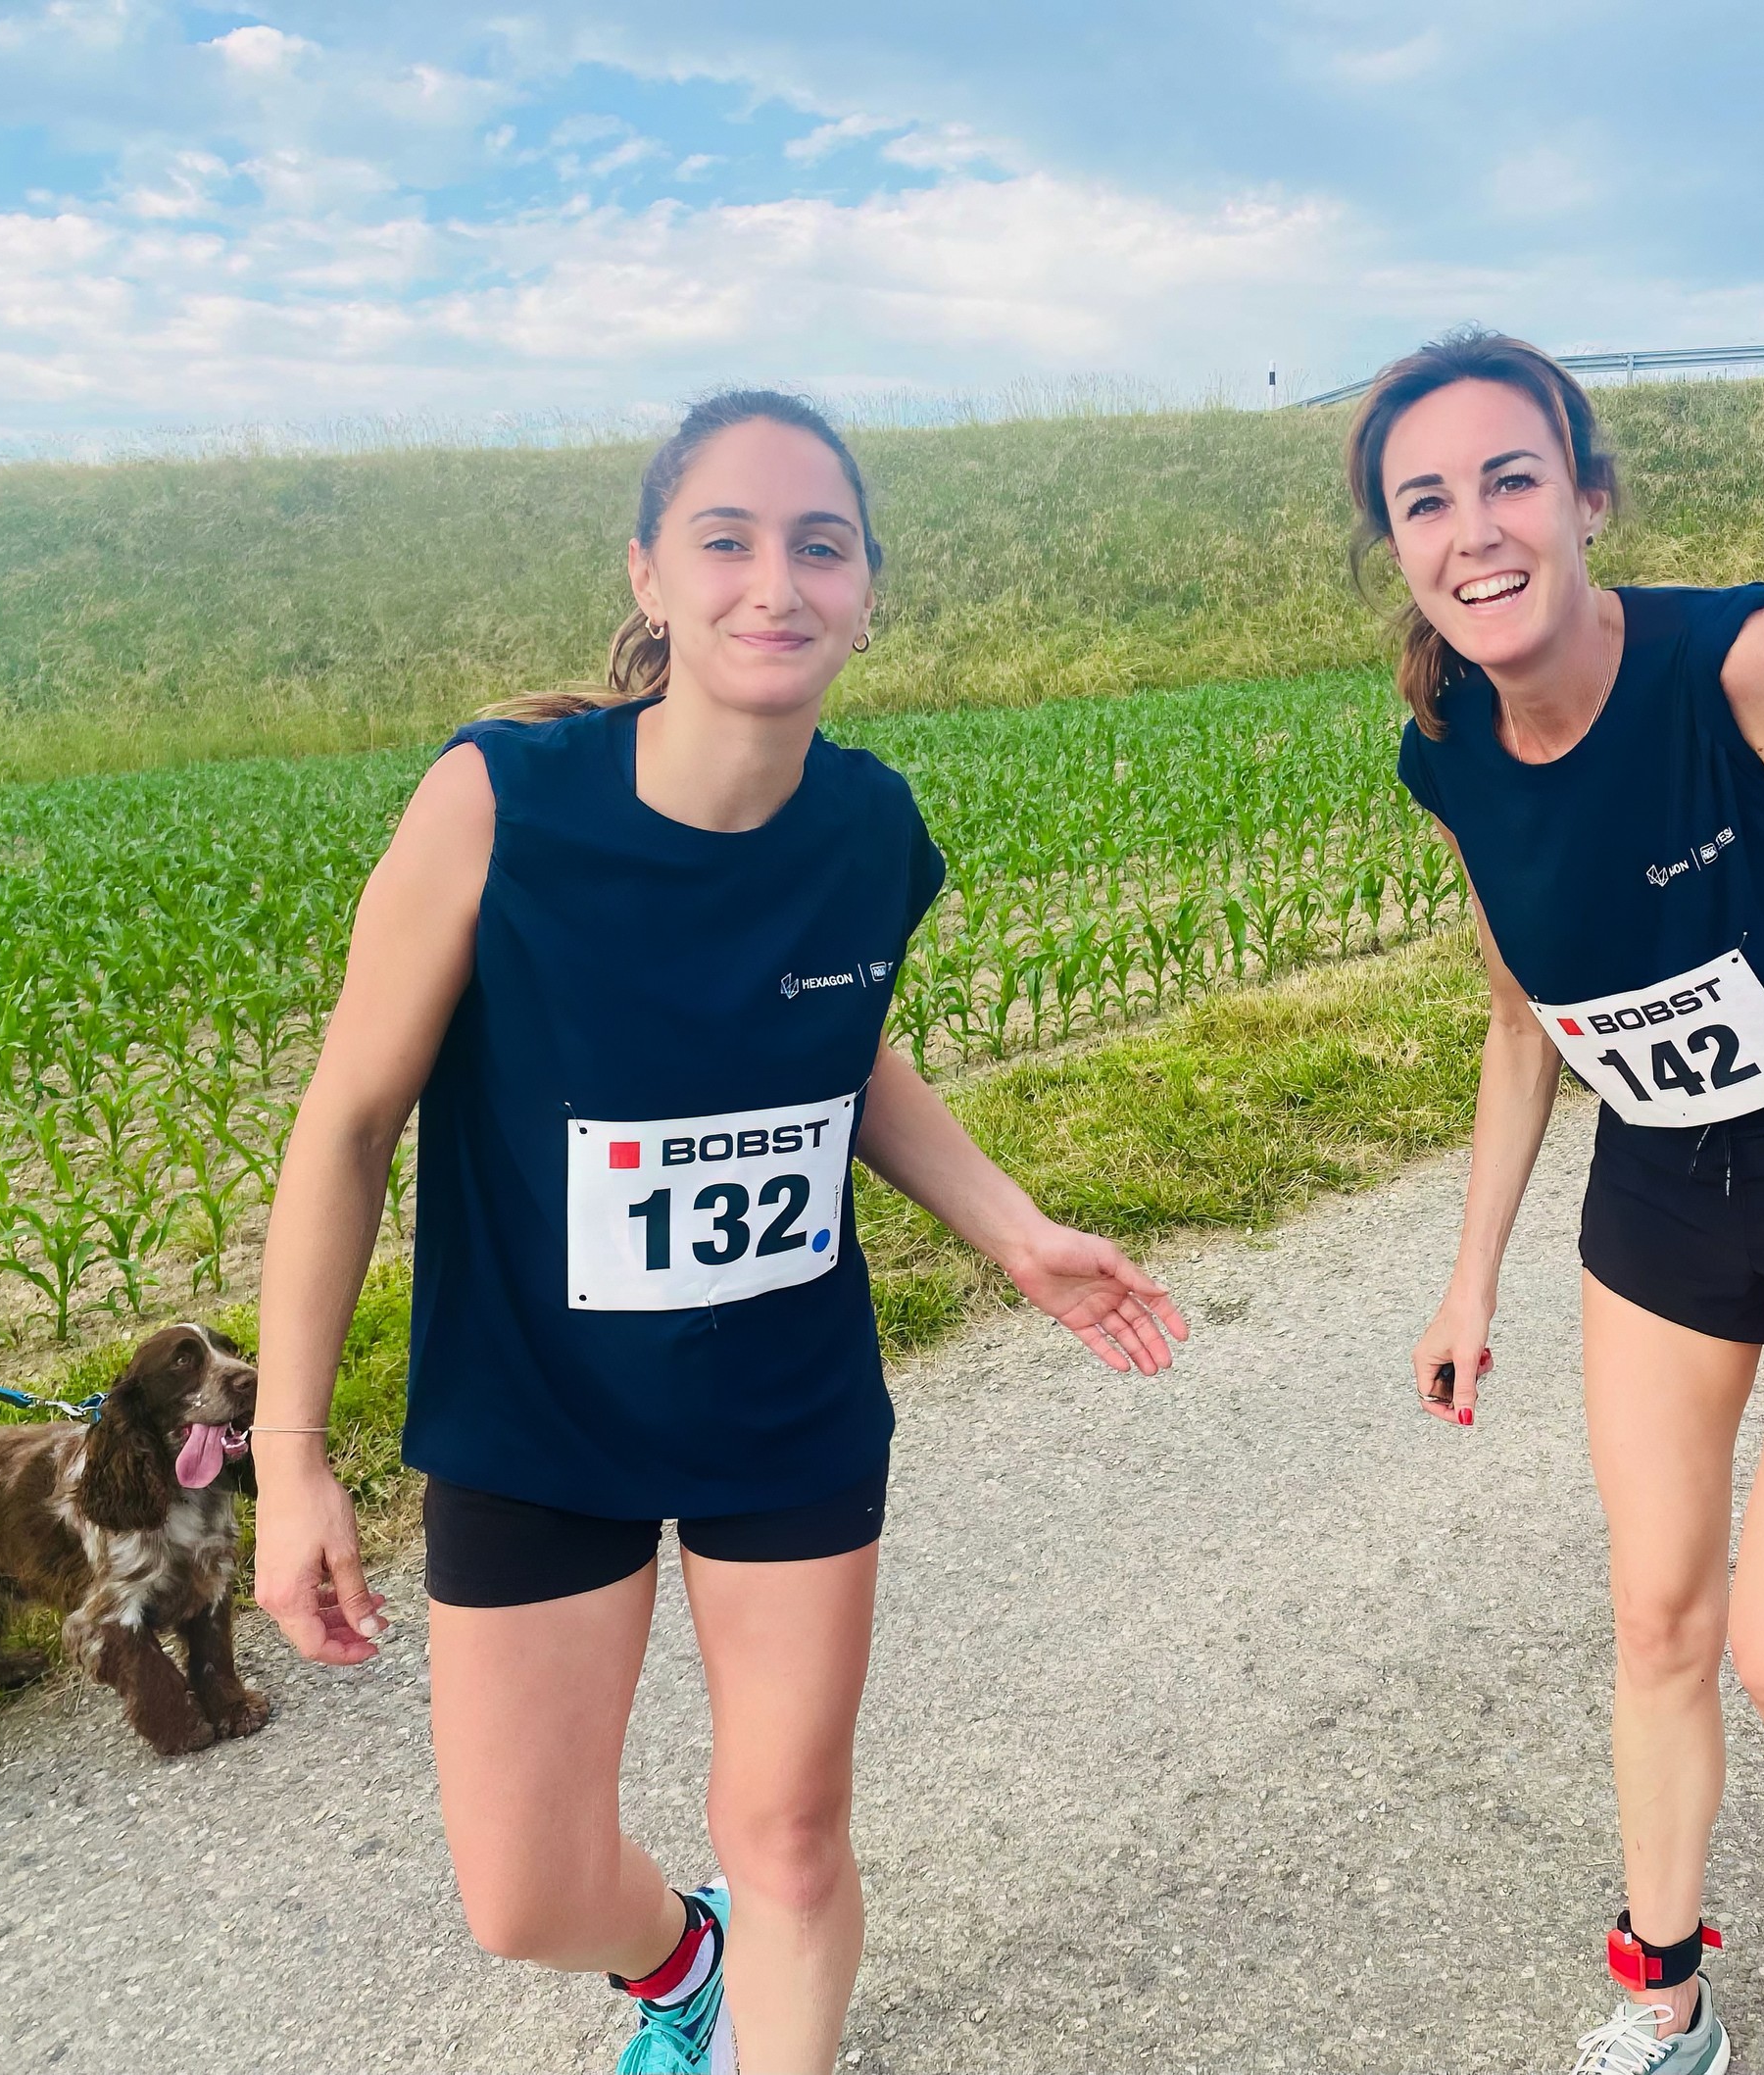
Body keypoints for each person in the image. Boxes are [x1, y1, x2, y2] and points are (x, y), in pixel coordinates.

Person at [252, 389, 1187, 2075]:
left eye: (820, 546)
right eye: (728, 540)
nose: (777, 582)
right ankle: (684, 1959)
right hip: (535, 1409)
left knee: (794, 1837)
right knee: (525, 1894)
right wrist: (291, 1450)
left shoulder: (869, 826)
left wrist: (1011, 1229)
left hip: (783, 1399)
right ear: (651, 575)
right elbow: (347, 1124)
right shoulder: (500, 804)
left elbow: (839, 1044)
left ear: (867, 591)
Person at [1351, 330, 1764, 2075]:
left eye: (1511, 479)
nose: (1475, 529)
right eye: (1428, 501)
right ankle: (1666, 1997)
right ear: (1399, 545)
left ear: (1586, 498)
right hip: (1661, 1184)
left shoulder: (1736, 660)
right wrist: (1468, 1276)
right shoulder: (1447, 747)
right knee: (1657, 1619)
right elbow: (1521, 1023)